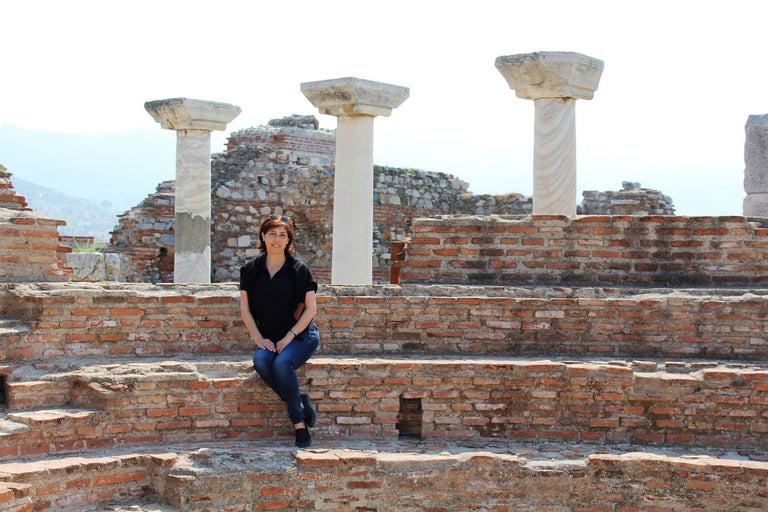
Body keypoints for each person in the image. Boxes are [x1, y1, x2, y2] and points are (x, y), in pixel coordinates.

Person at [239, 214, 319, 448]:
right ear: (263, 237)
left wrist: (289, 337)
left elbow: (311, 310)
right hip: (268, 338)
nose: (277, 239)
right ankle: (299, 401)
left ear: (288, 240)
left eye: (282, 235)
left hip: (301, 335)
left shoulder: (300, 270)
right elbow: (245, 310)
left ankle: (299, 426)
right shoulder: (250, 270)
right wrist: (258, 337)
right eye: (272, 234)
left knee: (282, 364)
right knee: (261, 362)